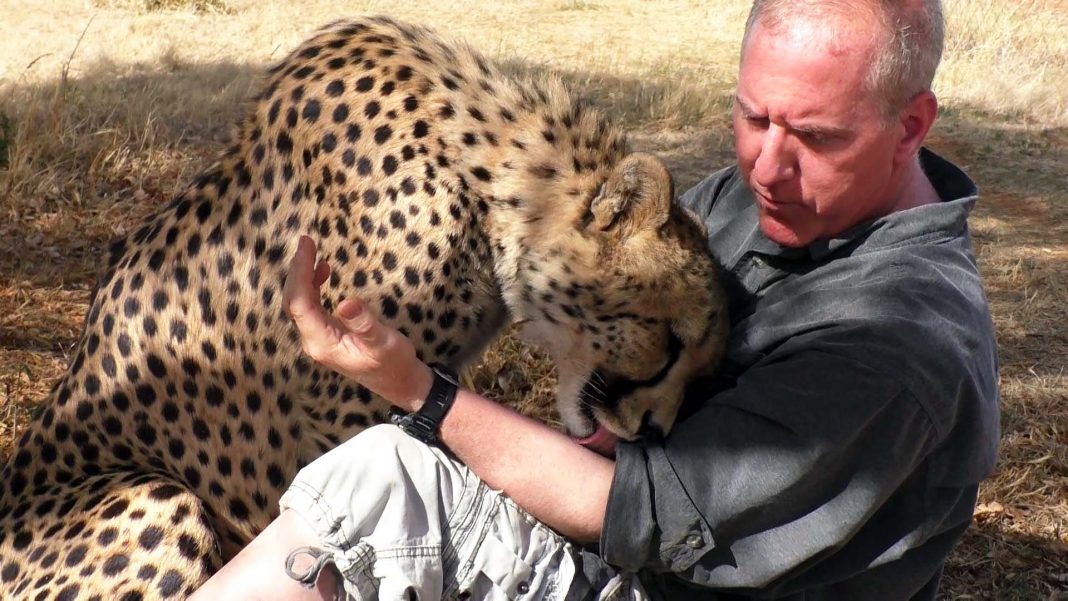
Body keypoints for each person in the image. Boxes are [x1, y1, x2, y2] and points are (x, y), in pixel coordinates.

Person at [193, 0, 999, 599]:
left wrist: (417, 389)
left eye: (818, 137)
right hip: (635, 559)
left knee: (387, 478)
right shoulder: (775, 205)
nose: (766, 168)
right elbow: (616, 449)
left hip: (651, 577)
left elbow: (623, 507)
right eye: (754, 117)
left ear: (911, 124)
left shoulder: (898, 340)